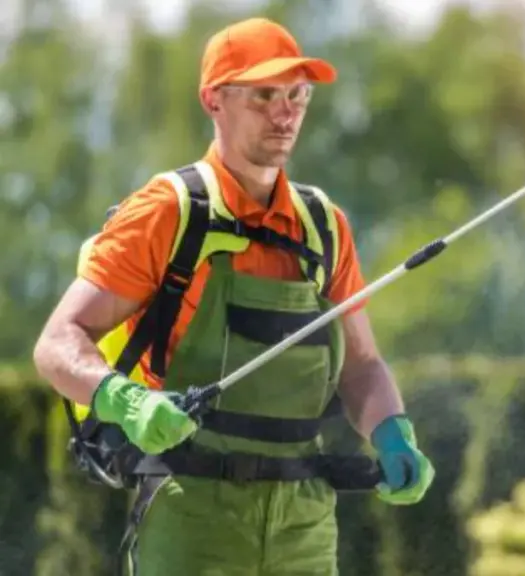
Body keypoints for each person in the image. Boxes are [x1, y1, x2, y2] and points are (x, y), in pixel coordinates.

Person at [32, 16, 435, 575]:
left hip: (305, 526)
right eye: (264, 95)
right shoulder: (168, 212)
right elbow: (57, 343)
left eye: (297, 94)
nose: (285, 112)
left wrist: (394, 432)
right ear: (213, 100)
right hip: (191, 519)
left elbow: (361, 363)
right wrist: (127, 401)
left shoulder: (323, 226)